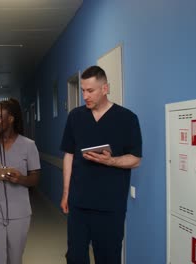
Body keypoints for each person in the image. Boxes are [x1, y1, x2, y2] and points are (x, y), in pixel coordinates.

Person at [60, 65, 142, 264]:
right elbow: (69, 155)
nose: (85, 96)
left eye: (90, 91)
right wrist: (66, 193)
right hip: (79, 204)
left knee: (108, 257)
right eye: (82, 91)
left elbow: (136, 159)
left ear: (105, 88)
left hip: (110, 206)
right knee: (75, 257)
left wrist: (111, 161)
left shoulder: (127, 118)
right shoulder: (75, 117)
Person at [0, 98, 41, 264]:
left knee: (15, 258)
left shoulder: (29, 145)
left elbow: (35, 178)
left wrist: (20, 179)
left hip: (20, 212)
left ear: (10, 119)